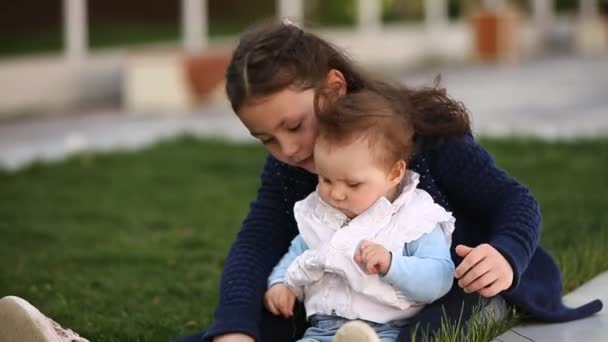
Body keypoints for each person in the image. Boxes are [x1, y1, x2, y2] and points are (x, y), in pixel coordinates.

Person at [177, 20, 602, 342]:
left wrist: (506, 255)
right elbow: (256, 243)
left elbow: (514, 200)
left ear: (334, 88)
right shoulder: (289, 167)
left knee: (443, 318)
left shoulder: (424, 136)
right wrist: (234, 325)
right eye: (266, 139)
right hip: (352, 296)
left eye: (294, 125)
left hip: (457, 283)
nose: (287, 149)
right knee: (264, 313)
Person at [265, 90, 456, 342]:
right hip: (323, 329)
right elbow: (298, 251)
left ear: (394, 173)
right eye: (326, 179)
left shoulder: (415, 218)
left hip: (386, 328)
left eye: (353, 184)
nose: (336, 194)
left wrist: (391, 264)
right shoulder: (320, 214)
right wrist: (281, 283)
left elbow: (439, 278)